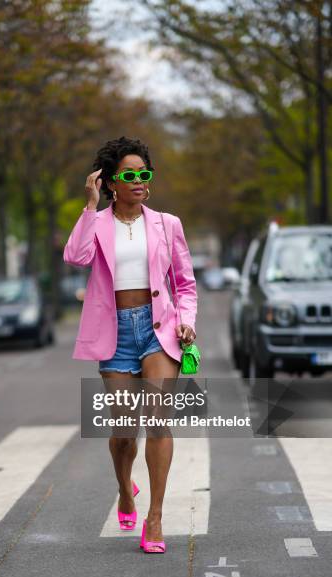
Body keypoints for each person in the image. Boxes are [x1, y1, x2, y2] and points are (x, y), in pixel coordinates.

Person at [63, 136, 197, 553]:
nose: (139, 181)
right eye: (129, 175)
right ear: (110, 183)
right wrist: (89, 206)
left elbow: (185, 284)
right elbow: (75, 256)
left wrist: (187, 322)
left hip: (158, 331)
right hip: (114, 333)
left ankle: (155, 518)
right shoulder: (98, 222)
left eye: (144, 174)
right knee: (124, 430)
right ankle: (125, 489)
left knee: (158, 420)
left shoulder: (167, 224)